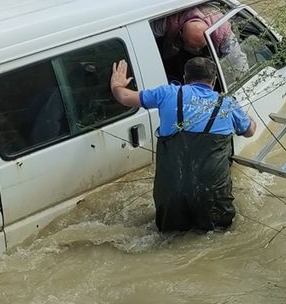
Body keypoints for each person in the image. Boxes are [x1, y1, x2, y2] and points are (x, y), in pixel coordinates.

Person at [110, 56, 256, 232]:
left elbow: (125, 97)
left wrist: (117, 85)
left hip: (171, 192)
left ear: (184, 78)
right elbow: (249, 131)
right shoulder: (227, 104)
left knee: (170, 238)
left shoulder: (167, 93)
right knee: (217, 235)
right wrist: (249, 119)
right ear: (214, 80)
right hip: (212, 193)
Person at [151, 4, 249, 82]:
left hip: (209, 56)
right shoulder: (170, 21)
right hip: (178, 52)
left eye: (200, 46)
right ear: (181, 33)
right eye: (193, 47)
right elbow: (147, 34)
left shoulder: (222, 29)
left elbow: (237, 59)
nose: (197, 50)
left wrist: (241, 84)